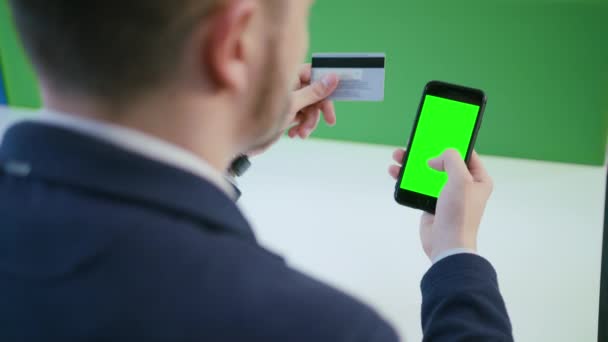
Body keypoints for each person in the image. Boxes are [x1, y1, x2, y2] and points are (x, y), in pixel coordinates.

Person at [0, 0, 513, 341]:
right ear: (236, 43)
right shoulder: (323, 329)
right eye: (301, 20)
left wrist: (224, 147)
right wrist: (455, 258)